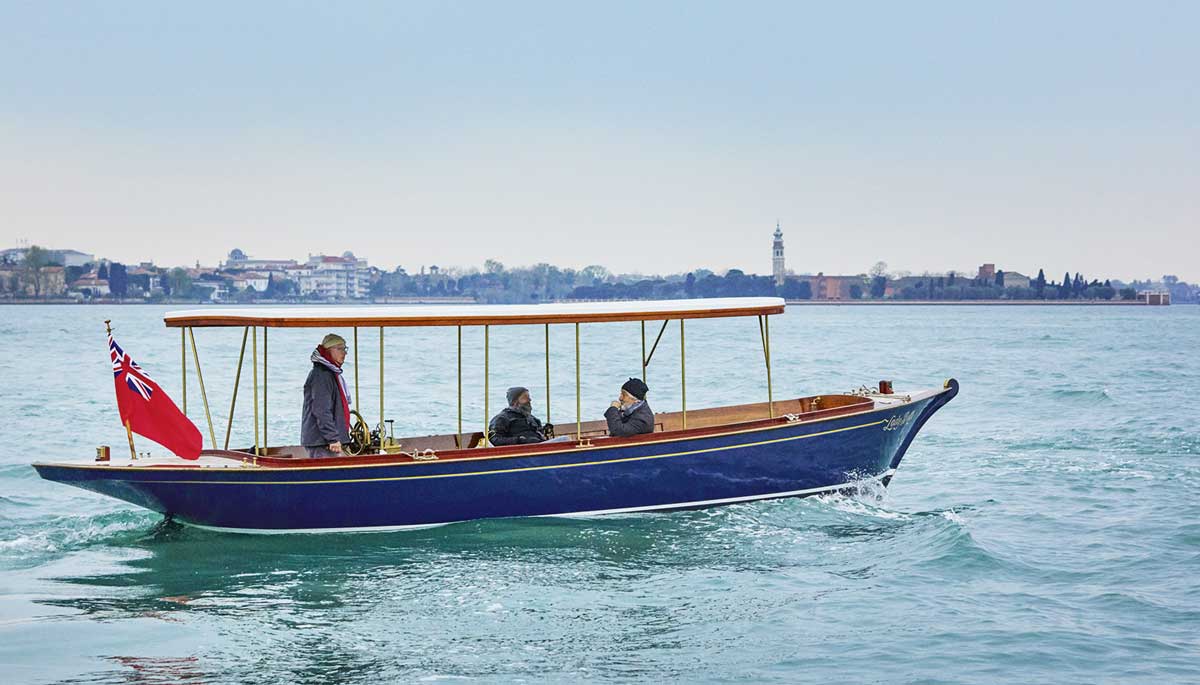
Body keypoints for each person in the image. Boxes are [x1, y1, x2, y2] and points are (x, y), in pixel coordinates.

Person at [301, 333, 351, 458]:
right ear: (328, 351)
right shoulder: (322, 375)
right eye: (340, 349)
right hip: (322, 442)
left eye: (345, 349)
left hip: (324, 441)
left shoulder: (329, 373)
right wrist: (332, 438)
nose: (344, 353)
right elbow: (321, 409)